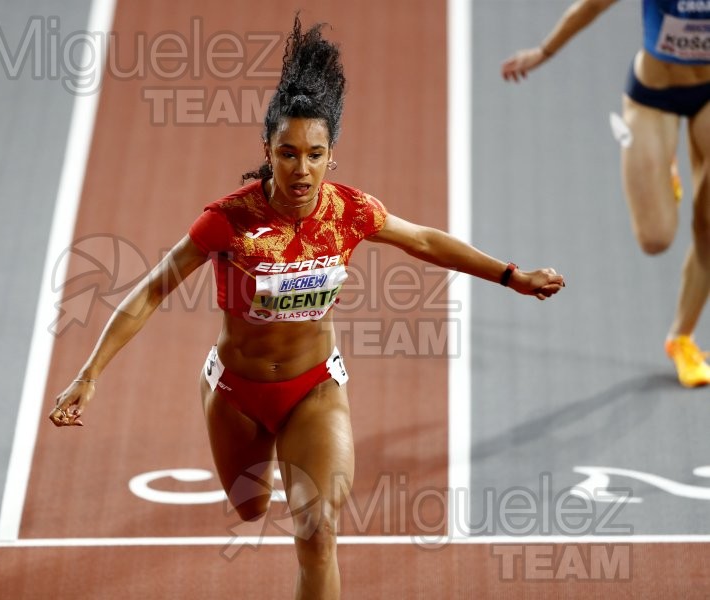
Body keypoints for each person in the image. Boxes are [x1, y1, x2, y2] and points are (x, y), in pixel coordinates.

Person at [51, 16, 565, 599]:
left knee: (318, 530)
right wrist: (88, 375)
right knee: (249, 510)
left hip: (314, 388)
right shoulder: (229, 220)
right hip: (236, 393)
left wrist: (509, 275)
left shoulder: (349, 211)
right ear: (267, 151)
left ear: (331, 156)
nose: (301, 169)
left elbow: (422, 239)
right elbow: (151, 289)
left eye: (314, 154)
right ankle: (258, 458)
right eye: (288, 153)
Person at [501, 0, 710, 388]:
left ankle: (682, 337)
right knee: (655, 238)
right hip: (656, 95)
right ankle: (662, 162)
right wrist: (544, 51)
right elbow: (593, 5)